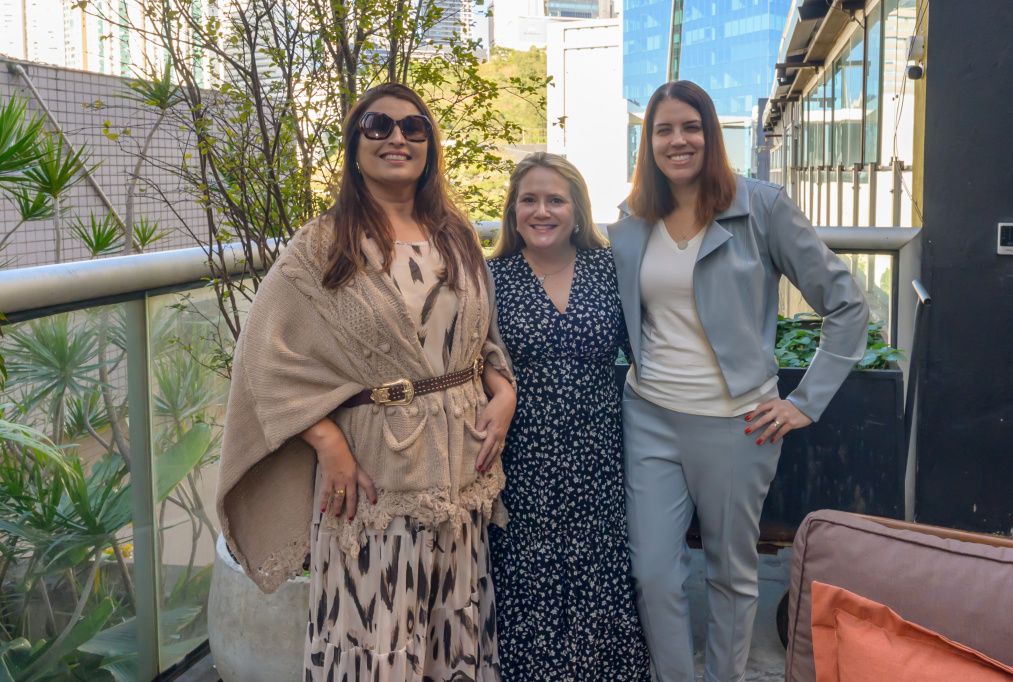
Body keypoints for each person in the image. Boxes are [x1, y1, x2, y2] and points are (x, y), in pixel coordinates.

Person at [215, 83, 517, 682]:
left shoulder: (455, 235)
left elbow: (478, 335)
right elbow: (263, 357)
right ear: (355, 146)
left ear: (429, 146)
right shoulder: (322, 244)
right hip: (375, 476)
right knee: (375, 637)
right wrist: (326, 439)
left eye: (413, 127)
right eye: (378, 126)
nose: (397, 137)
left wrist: (502, 390)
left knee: (450, 634)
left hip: (460, 474)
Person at [607, 81, 869, 682]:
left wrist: (805, 402)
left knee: (729, 574)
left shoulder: (762, 207)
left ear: (711, 134)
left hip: (737, 425)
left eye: (691, 127)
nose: (678, 140)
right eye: (664, 129)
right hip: (649, 417)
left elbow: (847, 306)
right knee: (652, 572)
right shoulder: (633, 220)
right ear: (648, 142)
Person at [487, 152, 651, 681]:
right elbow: (470, 356)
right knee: (525, 582)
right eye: (529, 200)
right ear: (513, 211)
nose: (542, 211)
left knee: (600, 579)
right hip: (521, 462)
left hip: (599, 458)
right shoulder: (490, 277)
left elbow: (656, 342)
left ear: (577, 210)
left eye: (555, 200)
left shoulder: (611, 268)